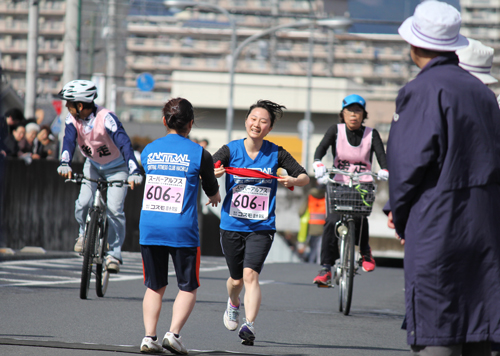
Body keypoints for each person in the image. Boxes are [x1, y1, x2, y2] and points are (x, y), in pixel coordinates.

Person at [386, 2, 500, 355]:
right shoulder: (483, 93)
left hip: (438, 219)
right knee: (479, 322)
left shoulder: (422, 90)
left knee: (438, 323)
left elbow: (407, 166)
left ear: (414, 45)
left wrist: (400, 216)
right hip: (485, 221)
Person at [213, 99, 309, 346]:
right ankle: (233, 303)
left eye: (263, 121)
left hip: (261, 227)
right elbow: (209, 166)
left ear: (269, 128)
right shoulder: (231, 150)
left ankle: (249, 324)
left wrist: (292, 180)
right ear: (246, 121)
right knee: (236, 281)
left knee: (251, 275)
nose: (256, 124)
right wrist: (215, 172)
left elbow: (304, 177)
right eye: (253, 119)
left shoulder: (276, 152)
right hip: (232, 225)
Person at [139, 98, 221, 354]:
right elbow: (210, 186)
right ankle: (173, 335)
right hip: (182, 230)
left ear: (165, 121)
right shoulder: (199, 153)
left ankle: (149, 337)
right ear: (191, 124)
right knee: (188, 286)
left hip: (150, 226)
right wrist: (214, 195)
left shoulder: (149, 150)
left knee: (154, 285)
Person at [56, 79, 143, 273]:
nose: (67, 107)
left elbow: (124, 143)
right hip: (92, 165)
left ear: (80, 105)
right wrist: (65, 162)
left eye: (69, 103)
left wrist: (134, 170)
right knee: (83, 202)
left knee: (114, 209)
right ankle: (83, 234)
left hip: (117, 168)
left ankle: (114, 253)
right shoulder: (73, 120)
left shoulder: (106, 118)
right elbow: (68, 141)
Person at [311, 94, 388, 285]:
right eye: (349, 111)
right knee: (331, 221)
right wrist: (318, 163)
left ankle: (365, 252)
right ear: (342, 113)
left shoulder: (372, 134)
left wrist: (385, 169)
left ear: (363, 114)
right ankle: (325, 268)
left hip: (362, 183)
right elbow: (320, 150)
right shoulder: (335, 131)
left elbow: (381, 155)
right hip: (339, 182)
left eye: (358, 111)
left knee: (361, 215)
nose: (353, 115)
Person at [297, 183, 326, 264]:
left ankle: (311, 262)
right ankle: (319, 262)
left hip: (311, 226)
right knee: (320, 247)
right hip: (324, 227)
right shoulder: (327, 196)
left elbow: (301, 211)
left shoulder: (310, 195)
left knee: (312, 246)